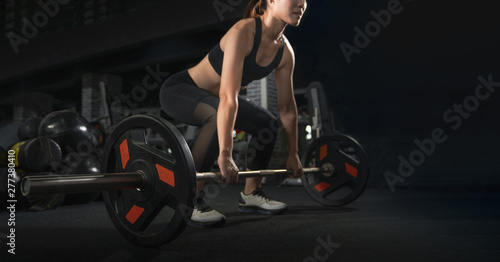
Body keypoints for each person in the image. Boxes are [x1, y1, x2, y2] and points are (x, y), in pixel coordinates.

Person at [159, 0, 307, 227]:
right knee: (217, 111)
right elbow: (229, 97)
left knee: (267, 123)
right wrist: (226, 153)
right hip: (179, 90)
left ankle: (251, 193)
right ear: (271, 1)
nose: (302, 4)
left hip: (215, 100)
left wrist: (293, 154)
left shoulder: (285, 52)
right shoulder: (244, 31)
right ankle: (191, 200)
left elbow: (287, 109)